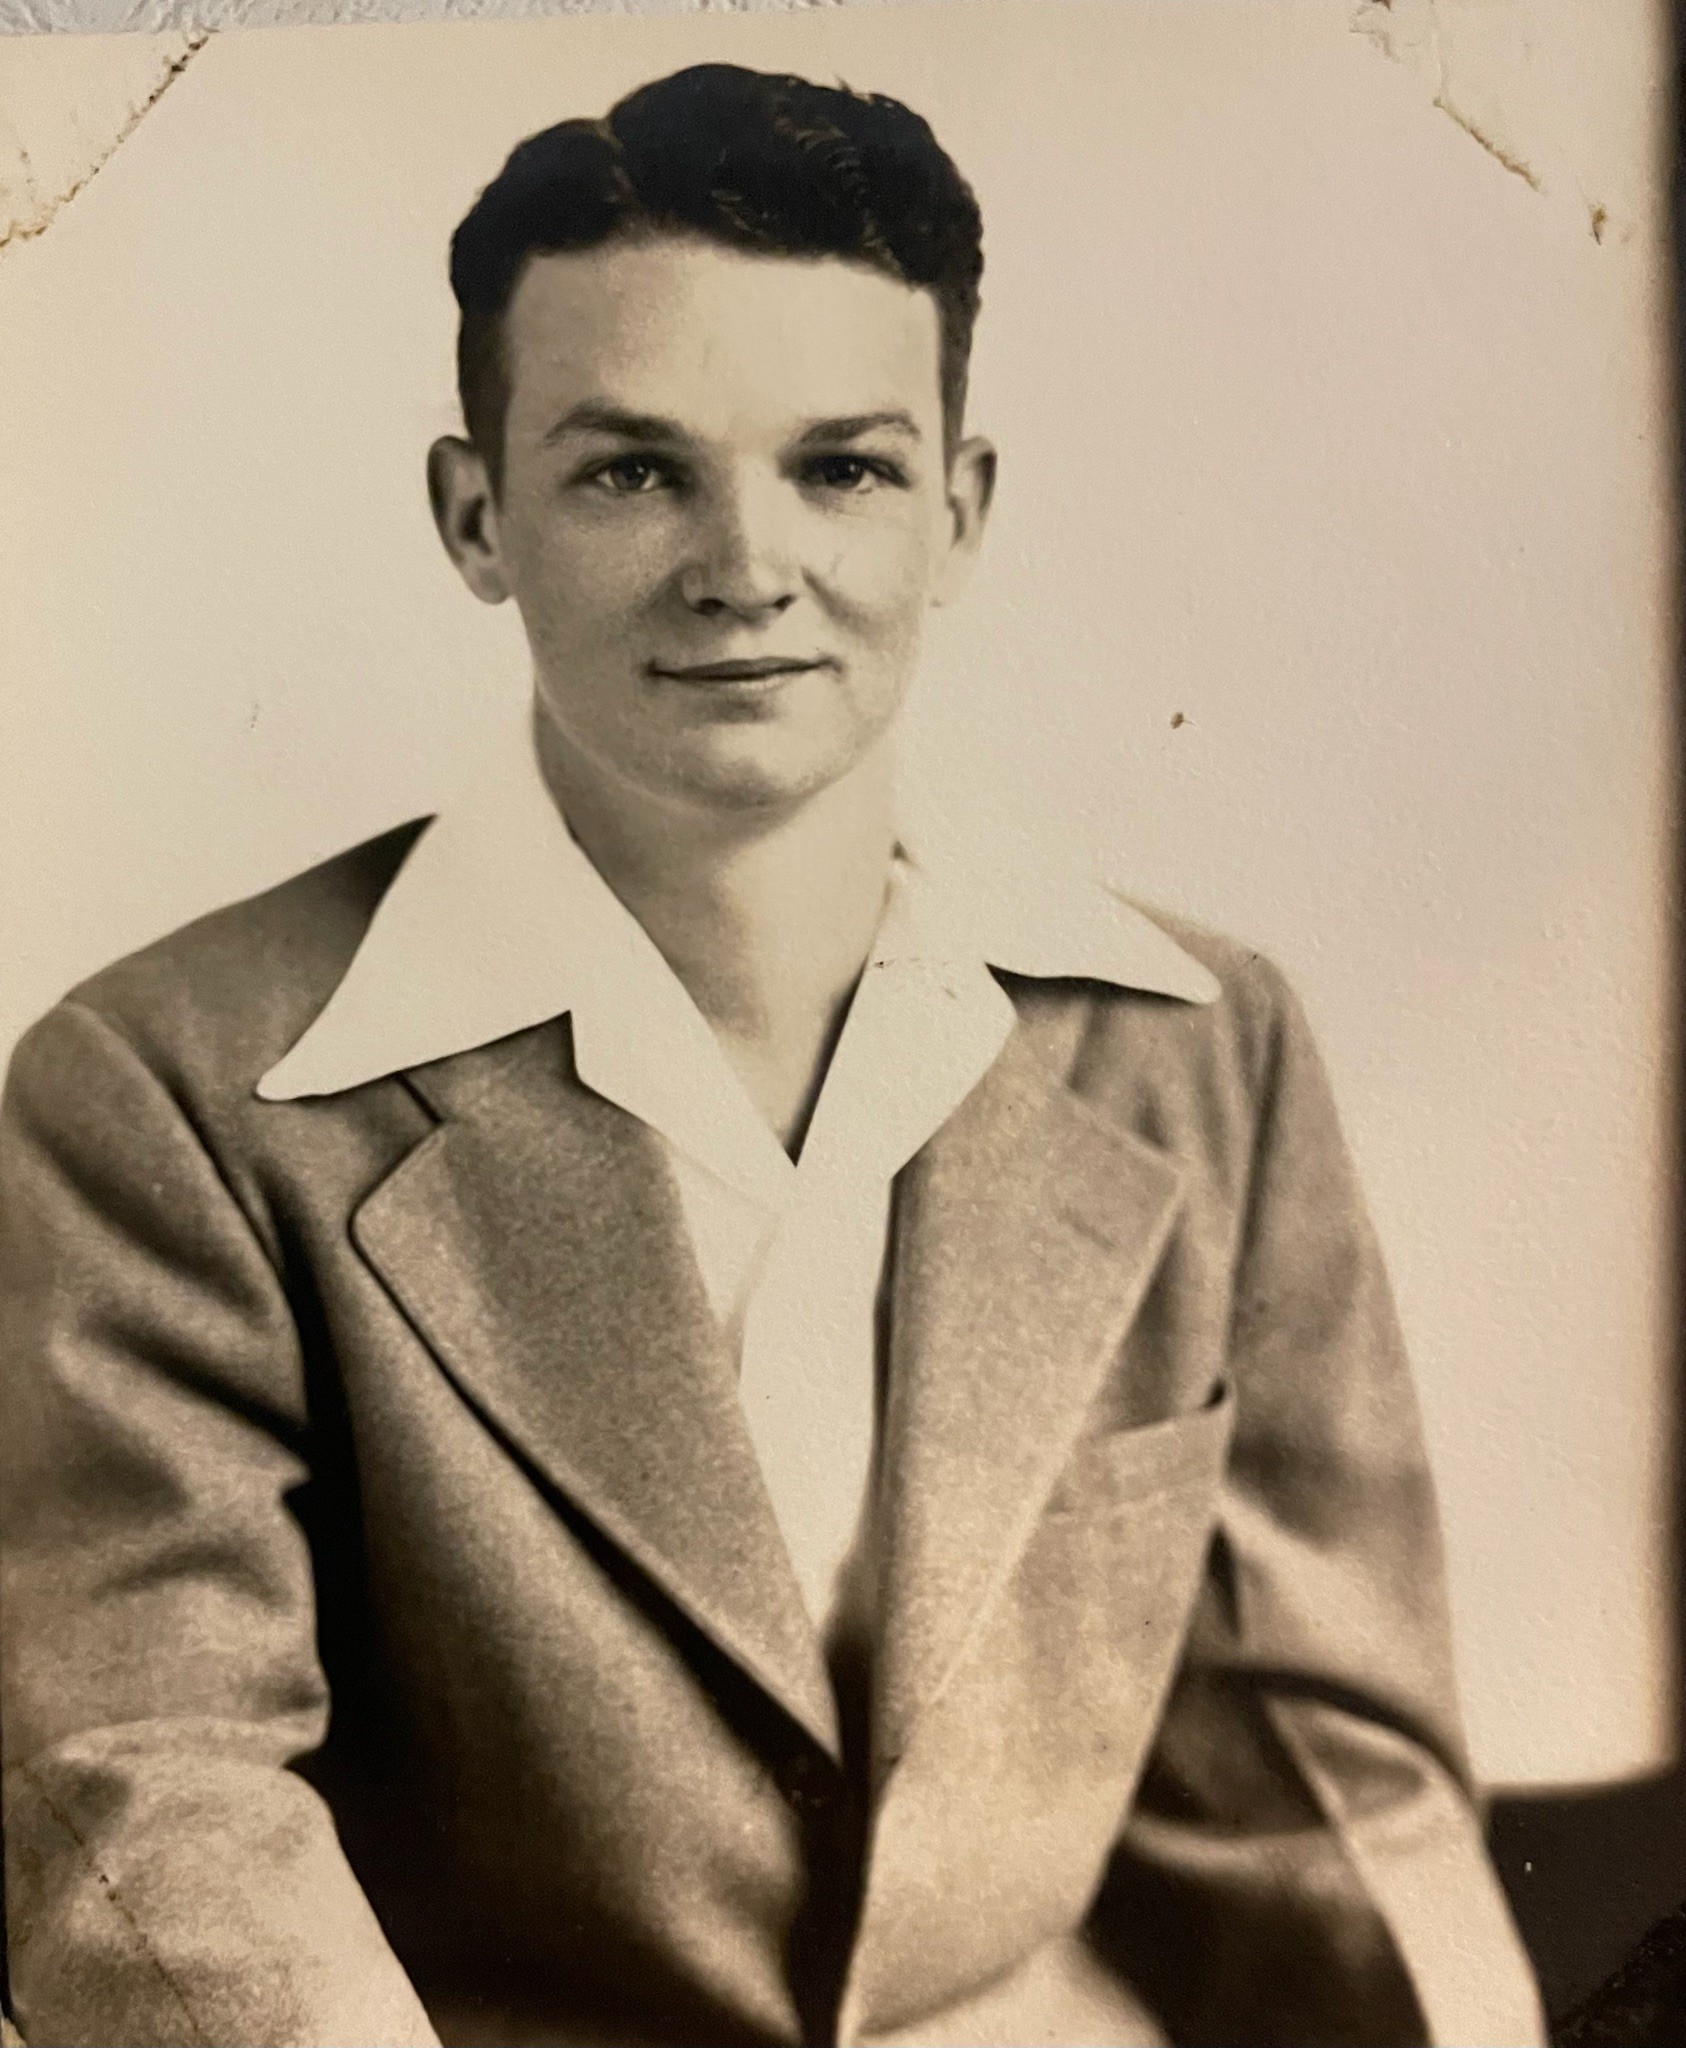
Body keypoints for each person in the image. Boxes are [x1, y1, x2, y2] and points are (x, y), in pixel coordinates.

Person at [0, 61, 1545, 2048]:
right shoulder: (164, 1096)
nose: (745, 563)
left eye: (842, 470)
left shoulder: (1199, 1043)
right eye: (631, 472)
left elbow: (1326, 1791)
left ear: (959, 512)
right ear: (475, 516)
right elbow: (153, 1811)